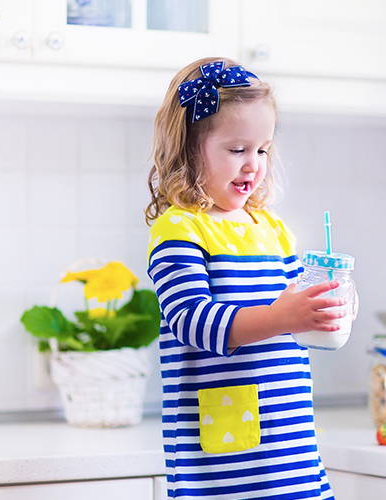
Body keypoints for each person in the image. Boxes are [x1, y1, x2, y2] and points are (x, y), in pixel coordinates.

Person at [145, 57, 343, 499]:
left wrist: (327, 307)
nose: (253, 164)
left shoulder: (270, 228)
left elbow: (299, 312)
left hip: (289, 449)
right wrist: (283, 317)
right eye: (237, 150)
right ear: (189, 149)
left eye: (263, 150)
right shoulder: (181, 228)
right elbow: (192, 319)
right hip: (224, 461)